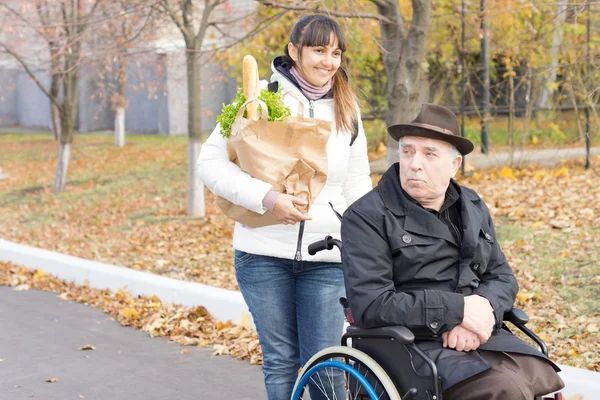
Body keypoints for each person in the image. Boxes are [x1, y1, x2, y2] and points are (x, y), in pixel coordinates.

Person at [197, 14, 372, 400]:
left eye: (336, 52)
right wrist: (268, 199)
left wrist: (366, 241)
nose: (328, 61)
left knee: (326, 368)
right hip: (262, 255)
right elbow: (209, 164)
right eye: (318, 50)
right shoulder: (259, 97)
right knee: (280, 363)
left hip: (327, 257)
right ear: (294, 51)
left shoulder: (347, 108)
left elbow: (358, 181)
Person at [341, 103, 565, 400]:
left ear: (454, 164)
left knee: (540, 372)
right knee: (506, 388)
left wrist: (483, 308)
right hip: (408, 345)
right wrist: (457, 311)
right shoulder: (367, 216)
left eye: (429, 153)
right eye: (407, 151)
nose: (414, 163)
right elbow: (372, 305)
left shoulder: (472, 206)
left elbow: (502, 276)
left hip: (477, 337)